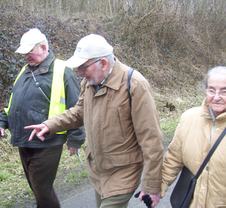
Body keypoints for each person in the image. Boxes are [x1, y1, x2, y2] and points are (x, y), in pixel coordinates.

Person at [25, 34, 164, 208]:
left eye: (83, 67)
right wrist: (49, 124)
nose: (79, 73)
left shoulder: (134, 84)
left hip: (123, 173)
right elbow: (79, 112)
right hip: (98, 171)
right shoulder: (89, 82)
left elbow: (151, 138)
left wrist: (151, 185)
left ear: (103, 64)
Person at [0, 28, 85, 208]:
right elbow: (13, 100)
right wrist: (2, 122)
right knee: (36, 186)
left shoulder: (63, 70)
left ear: (43, 47)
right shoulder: (25, 71)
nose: (26, 56)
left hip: (49, 139)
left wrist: (75, 139)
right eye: (24, 53)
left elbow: (77, 108)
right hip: (24, 139)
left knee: (40, 186)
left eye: (30, 52)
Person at [161, 66, 226, 207]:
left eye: (224, 91)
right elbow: (173, 159)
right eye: (211, 90)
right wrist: (154, 190)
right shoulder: (189, 118)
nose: (216, 97)